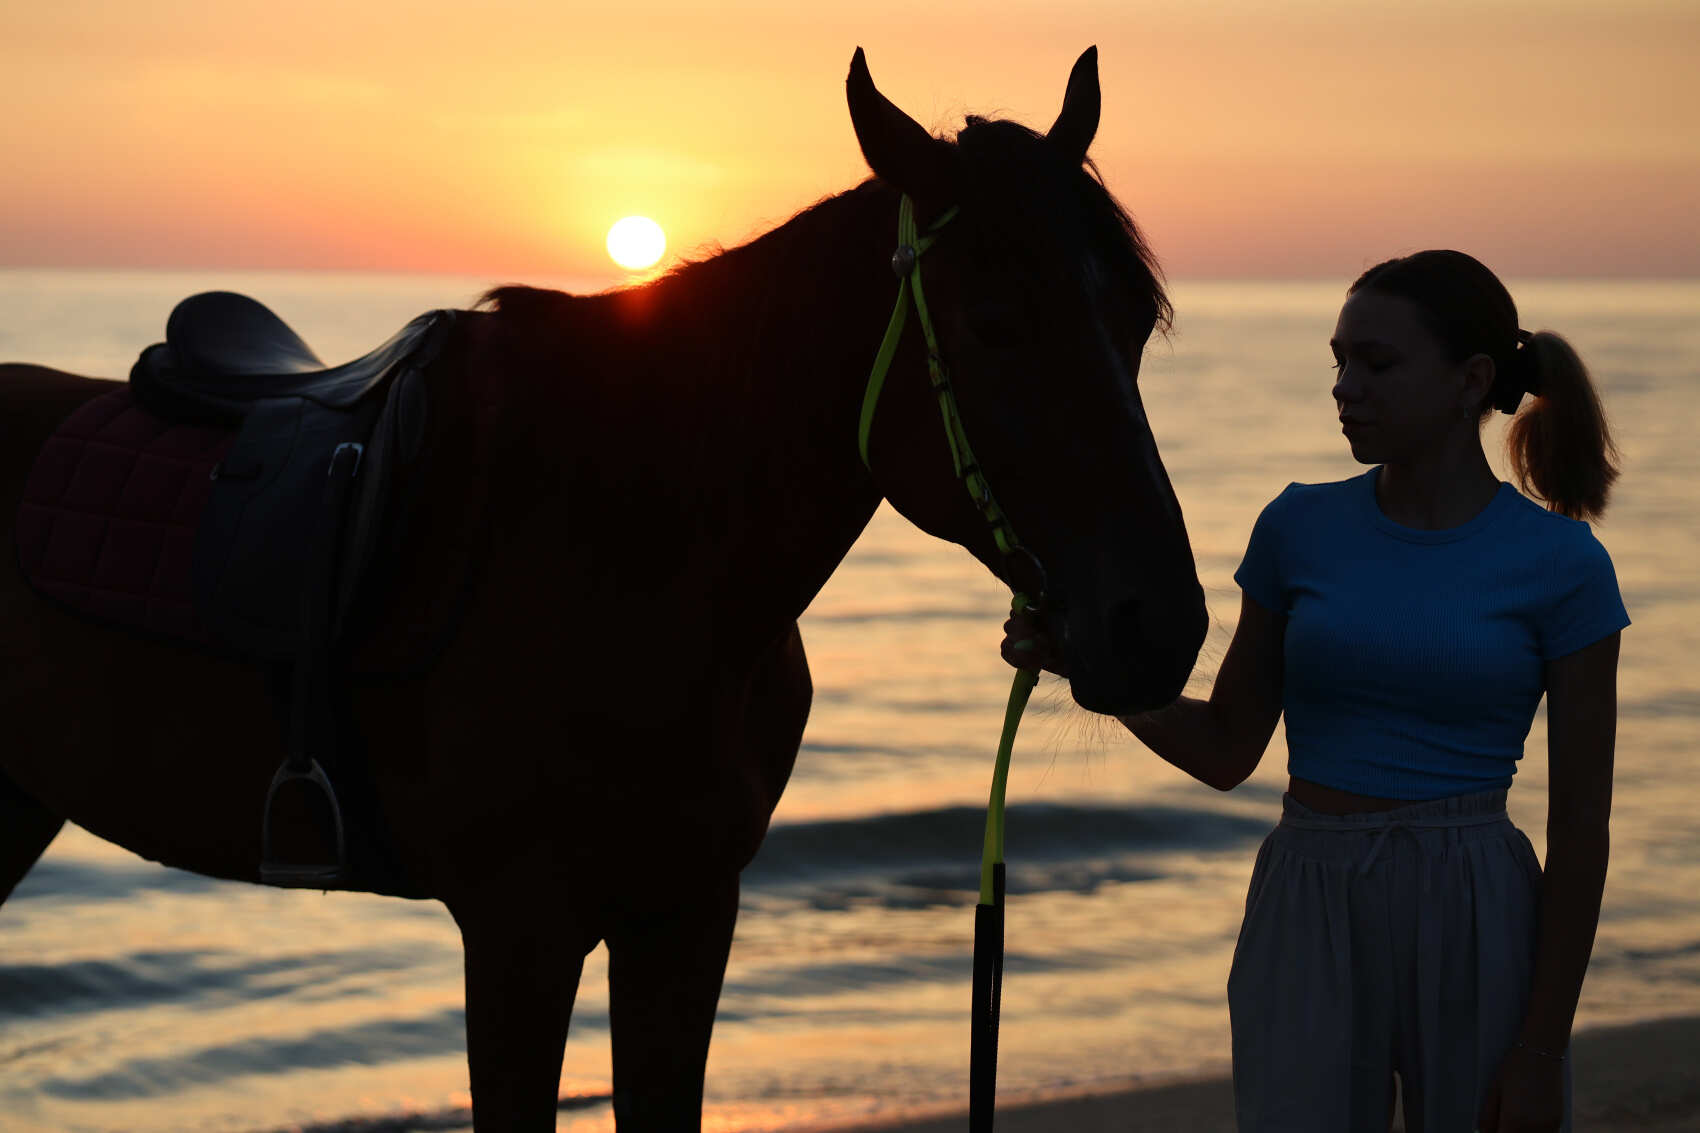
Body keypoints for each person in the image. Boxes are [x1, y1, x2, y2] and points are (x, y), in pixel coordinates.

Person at [1002, 250, 1627, 1133]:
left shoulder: (1562, 565)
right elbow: (1227, 748)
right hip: (1308, 890)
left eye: (1376, 364)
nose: (1344, 388)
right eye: (1337, 361)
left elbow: (1581, 830)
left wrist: (1542, 1047)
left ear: (1471, 380)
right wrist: (1091, 670)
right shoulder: (1299, 525)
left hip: (1477, 899)